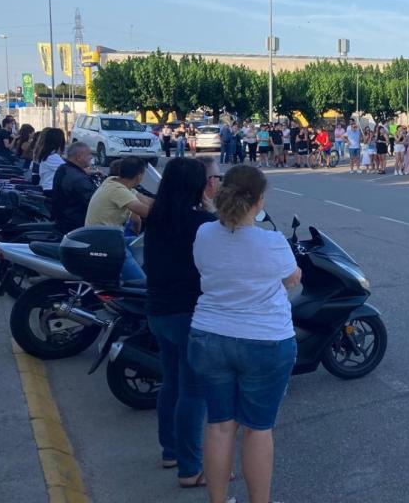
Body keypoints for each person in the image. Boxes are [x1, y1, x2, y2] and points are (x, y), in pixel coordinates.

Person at [188, 165, 301, 503]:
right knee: (258, 428)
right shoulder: (272, 242)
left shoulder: (205, 234)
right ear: (259, 200)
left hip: (209, 336)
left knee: (219, 425)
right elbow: (292, 277)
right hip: (265, 340)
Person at [143, 158, 217, 488]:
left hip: (159, 310)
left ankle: (170, 451)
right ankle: (190, 468)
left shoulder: (157, 217)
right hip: (189, 314)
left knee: (172, 382)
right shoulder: (200, 222)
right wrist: (210, 205)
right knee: (193, 392)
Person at [85, 157, 154, 234]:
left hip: (99, 236)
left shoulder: (113, 181)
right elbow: (145, 212)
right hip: (101, 240)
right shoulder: (117, 190)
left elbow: (146, 200)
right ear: (139, 176)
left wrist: (165, 202)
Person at [51, 142, 97, 234]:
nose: (91, 157)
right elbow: (94, 202)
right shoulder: (78, 179)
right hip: (76, 225)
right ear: (79, 157)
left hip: (63, 220)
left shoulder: (64, 168)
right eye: (89, 154)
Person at [35, 128, 67, 194]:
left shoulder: (48, 155)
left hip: (48, 189)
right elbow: (68, 170)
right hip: (51, 190)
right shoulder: (52, 157)